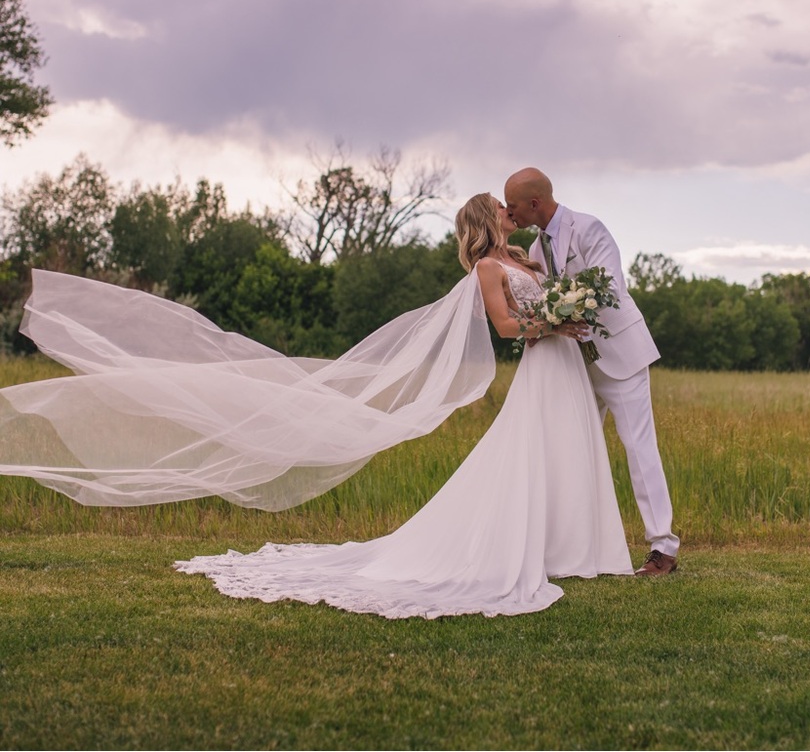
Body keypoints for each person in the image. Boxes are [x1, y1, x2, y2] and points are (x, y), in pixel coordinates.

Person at [1, 194, 633, 618]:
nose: (510, 209)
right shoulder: (487, 272)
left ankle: (575, 548)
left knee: (567, 450)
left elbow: (549, 298)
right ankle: (527, 550)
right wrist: (554, 326)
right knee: (531, 453)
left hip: (564, 368)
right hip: (545, 362)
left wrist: (568, 314)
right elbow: (504, 328)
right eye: (502, 207)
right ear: (488, 220)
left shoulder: (522, 258)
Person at [504, 167, 680, 575]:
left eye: (513, 205)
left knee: (639, 447)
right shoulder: (533, 249)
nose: (510, 212)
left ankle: (663, 548)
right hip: (572, 364)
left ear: (534, 203)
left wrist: (562, 307)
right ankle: (579, 548)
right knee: (575, 452)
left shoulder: (588, 228)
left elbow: (611, 289)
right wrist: (546, 322)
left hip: (620, 355)